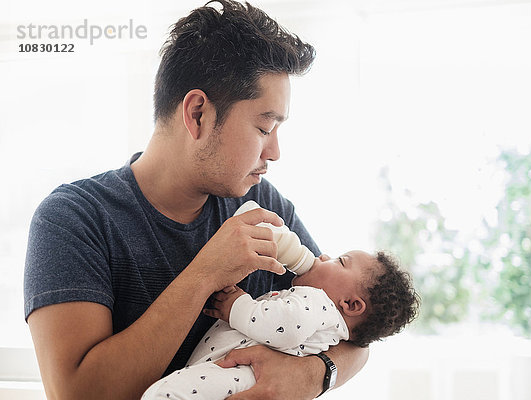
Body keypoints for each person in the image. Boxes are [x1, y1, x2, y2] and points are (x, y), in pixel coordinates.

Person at [23, 1, 369, 399]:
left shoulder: (265, 206)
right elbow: (76, 393)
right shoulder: (74, 219)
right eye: (264, 126)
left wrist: (312, 375)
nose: (274, 152)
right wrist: (206, 272)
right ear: (199, 113)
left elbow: (355, 331)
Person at [142, 248, 419, 400]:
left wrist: (237, 307)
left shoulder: (319, 303)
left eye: (340, 261)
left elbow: (284, 325)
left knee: (166, 394)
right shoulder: (329, 321)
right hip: (233, 374)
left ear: (350, 305)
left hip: (244, 376)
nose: (323, 257)